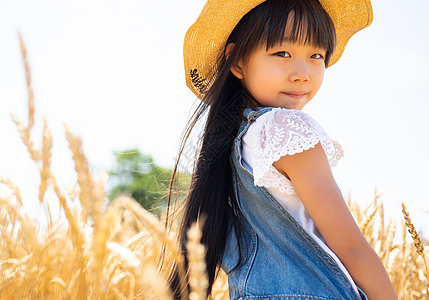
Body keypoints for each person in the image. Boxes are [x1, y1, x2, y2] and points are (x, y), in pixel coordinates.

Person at [166, 0, 398, 299]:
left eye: (316, 55)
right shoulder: (286, 128)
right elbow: (350, 248)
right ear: (236, 60)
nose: (302, 73)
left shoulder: (236, 140)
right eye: (282, 53)